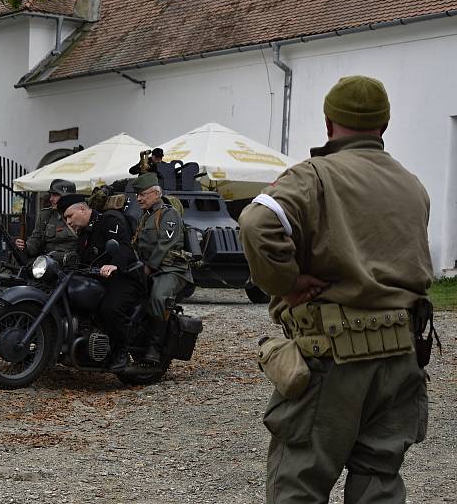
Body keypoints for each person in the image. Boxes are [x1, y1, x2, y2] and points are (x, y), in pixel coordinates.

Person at [238, 75, 432, 503]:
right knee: (379, 480)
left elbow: (256, 222)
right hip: (400, 357)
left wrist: (286, 284)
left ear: (329, 123)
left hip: (334, 357)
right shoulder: (411, 185)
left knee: (300, 482)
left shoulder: (314, 177)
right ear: (384, 125)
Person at [59, 195, 145, 371]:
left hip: (123, 278)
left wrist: (114, 264)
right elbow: (80, 259)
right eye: (65, 218)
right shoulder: (83, 233)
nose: (68, 222)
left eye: (69, 216)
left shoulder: (108, 221)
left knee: (110, 308)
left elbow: (124, 247)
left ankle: (122, 351)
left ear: (82, 209)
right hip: (99, 280)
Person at [131, 172, 192, 364]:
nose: (139, 198)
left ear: (156, 193)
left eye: (144, 194)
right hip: (149, 268)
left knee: (158, 298)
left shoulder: (168, 214)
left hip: (171, 270)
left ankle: (155, 350)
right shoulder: (145, 217)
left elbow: (164, 244)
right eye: (138, 195)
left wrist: (148, 268)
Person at [15, 179, 78, 257]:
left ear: (67, 196)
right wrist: (25, 246)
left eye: (55, 195)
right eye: (50, 195)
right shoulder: (46, 215)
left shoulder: (80, 214)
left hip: (74, 264)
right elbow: (35, 240)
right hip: (48, 264)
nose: (51, 199)